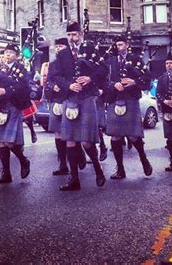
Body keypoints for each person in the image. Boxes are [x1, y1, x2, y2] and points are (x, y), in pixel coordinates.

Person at [52, 21, 108, 191]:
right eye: (69, 35)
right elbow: (56, 76)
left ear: (81, 35)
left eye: (74, 34)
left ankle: (98, 170)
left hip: (87, 98)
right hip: (70, 98)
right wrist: (68, 85)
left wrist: (90, 78)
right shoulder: (62, 54)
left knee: (86, 141)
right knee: (69, 140)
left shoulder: (91, 49)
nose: (71, 38)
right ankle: (74, 179)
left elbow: (104, 69)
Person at [104, 35, 153, 179]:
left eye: (121, 44)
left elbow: (147, 78)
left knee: (133, 135)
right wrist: (113, 85)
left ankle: (143, 159)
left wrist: (134, 82)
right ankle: (120, 169)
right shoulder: (111, 61)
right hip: (115, 100)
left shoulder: (136, 59)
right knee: (115, 136)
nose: (119, 47)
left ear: (127, 45)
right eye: (117, 44)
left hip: (130, 99)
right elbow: (103, 81)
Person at [0, 44, 31, 184]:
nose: (7, 55)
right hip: (1, 107)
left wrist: (6, 91)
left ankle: (23, 160)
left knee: (8, 142)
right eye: (6, 52)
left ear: (17, 56)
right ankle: (6, 174)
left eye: (11, 53)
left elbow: (23, 88)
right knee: (2, 143)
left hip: (14, 107)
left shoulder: (21, 70)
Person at [45, 38, 70, 175]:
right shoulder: (53, 64)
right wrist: (52, 86)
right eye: (57, 47)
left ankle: (79, 156)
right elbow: (48, 80)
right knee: (58, 132)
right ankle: (62, 164)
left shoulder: (73, 62)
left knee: (72, 133)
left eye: (61, 46)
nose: (58, 49)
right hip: (57, 100)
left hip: (69, 100)